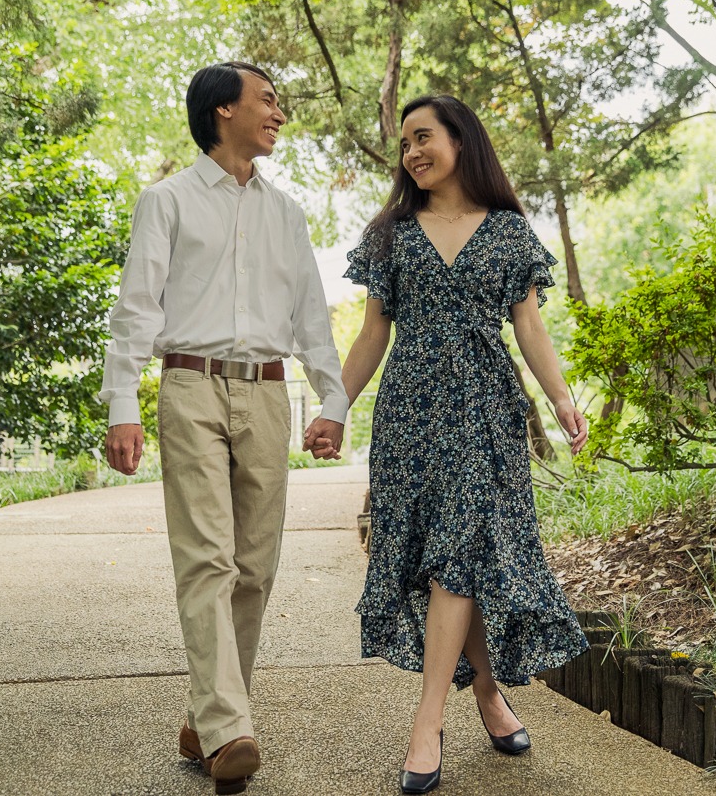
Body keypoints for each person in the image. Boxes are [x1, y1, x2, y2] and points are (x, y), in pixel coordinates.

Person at [100, 61, 348, 795]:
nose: (279, 113)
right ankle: (233, 728)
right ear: (222, 111)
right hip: (189, 388)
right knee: (207, 557)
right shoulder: (167, 201)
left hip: (268, 396)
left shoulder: (288, 214)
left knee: (255, 567)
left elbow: (311, 315)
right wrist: (123, 403)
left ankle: (204, 718)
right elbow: (136, 308)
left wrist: (331, 400)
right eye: (267, 100)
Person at [337, 94, 589, 794]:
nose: (413, 152)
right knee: (448, 556)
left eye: (424, 137)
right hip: (410, 415)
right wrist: (335, 406)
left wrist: (563, 397)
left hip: (485, 410)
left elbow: (531, 330)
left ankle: (427, 723)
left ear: (460, 139)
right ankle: (485, 694)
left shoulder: (508, 230)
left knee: (460, 553)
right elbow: (371, 335)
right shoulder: (389, 233)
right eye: (405, 144)